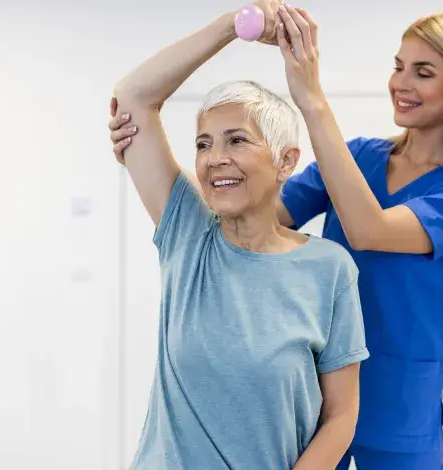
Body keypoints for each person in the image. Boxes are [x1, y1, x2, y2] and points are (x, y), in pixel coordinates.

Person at [111, 5, 443, 469]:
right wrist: (158, 169)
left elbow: (369, 230)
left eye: (422, 72)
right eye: (398, 66)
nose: (401, 84)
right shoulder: (360, 156)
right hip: (309, 399)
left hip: (397, 408)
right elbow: (256, 216)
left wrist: (310, 95)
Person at [109, 1, 370, 469]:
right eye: (204, 144)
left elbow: (342, 414)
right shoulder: (188, 236)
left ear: (286, 161)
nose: (214, 159)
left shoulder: (329, 269)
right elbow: (132, 98)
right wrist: (234, 26)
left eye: (237, 140)